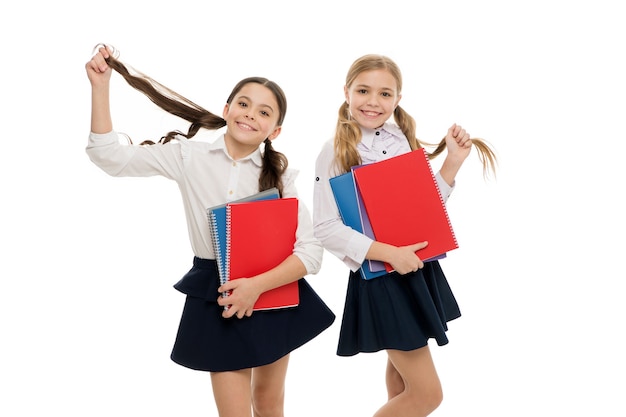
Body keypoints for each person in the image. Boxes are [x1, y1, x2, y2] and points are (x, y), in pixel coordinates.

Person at [85, 44, 335, 417]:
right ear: (227, 109)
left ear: (276, 130)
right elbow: (109, 156)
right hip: (217, 294)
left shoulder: (280, 177)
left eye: (264, 112)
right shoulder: (188, 156)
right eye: (244, 104)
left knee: (269, 406)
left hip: (271, 288)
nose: (250, 115)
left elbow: (311, 252)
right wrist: (100, 87)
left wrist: (256, 286)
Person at [312, 54, 497, 417]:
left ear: (398, 99)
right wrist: (389, 253)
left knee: (403, 386)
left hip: (417, 269)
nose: (373, 101)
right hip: (382, 279)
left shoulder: (401, 139)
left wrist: (453, 163)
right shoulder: (334, 151)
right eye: (363, 90)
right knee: (427, 396)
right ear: (346, 91)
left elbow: (422, 212)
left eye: (385, 93)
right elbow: (325, 228)